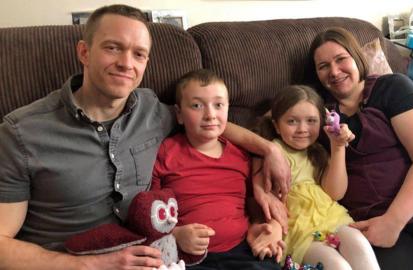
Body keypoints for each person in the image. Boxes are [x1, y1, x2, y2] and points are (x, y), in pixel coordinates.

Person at [0, 5, 290, 270]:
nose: (127, 63)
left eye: (138, 54)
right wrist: (96, 265)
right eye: (113, 48)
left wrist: (269, 151)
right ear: (84, 52)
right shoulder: (22, 132)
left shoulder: (151, 110)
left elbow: (208, 124)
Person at [298, 27, 413, 270]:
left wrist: (393, 222)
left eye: (341, 59)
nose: (334, 71)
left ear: (357, 58)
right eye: (323, 66)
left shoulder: (393, 87)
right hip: (372, 219)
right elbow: (275, 119)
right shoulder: (317, 113)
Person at [151, 69, 284, 270]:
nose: (210, 115)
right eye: (197, 106)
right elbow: (149, 211)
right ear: (179, 114)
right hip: (189, 256)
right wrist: (175, 234)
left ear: (228, 109)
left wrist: (269, 227)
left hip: (243, 249)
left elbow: (254, 204)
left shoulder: (241, 155)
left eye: (218, 105)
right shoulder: (166, 152)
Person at [254, 85, 380, 269]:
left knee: (360, 246)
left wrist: (337, 147)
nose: (302, 129)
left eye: (311, 120)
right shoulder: (272, 150)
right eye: (292, 121)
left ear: (321, 123)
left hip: (332, 217)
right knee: (338, 266)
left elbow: (335, 193)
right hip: (299, 229)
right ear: (276, 126)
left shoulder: (318, 152)